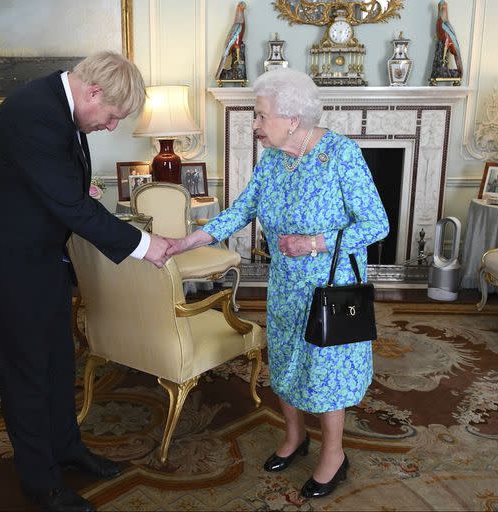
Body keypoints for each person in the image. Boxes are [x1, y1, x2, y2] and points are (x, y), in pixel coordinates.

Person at [0, 51, 171, 512]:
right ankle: (41, 482)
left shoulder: (58, 102)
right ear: (93, 92)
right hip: (5, 262)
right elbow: (71, 205)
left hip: (41, 255)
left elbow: (61, 190)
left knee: (57, 360)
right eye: (112, 117)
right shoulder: (35, 113)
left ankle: (68, 449)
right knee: (26, 372)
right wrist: (146, 245)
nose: (111, 127)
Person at [166, 68, 389, 499]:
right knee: (285, 361)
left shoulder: (341, 154)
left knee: (326, 372)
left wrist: (313, 243)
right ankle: (294, 437)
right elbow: (243, 208)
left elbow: (377, 223)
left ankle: (334, 454)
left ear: (291, 118)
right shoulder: (273, 158)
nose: (255, 124)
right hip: (286, 284)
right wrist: (190, 239)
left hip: (331, 285)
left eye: (260, 115)